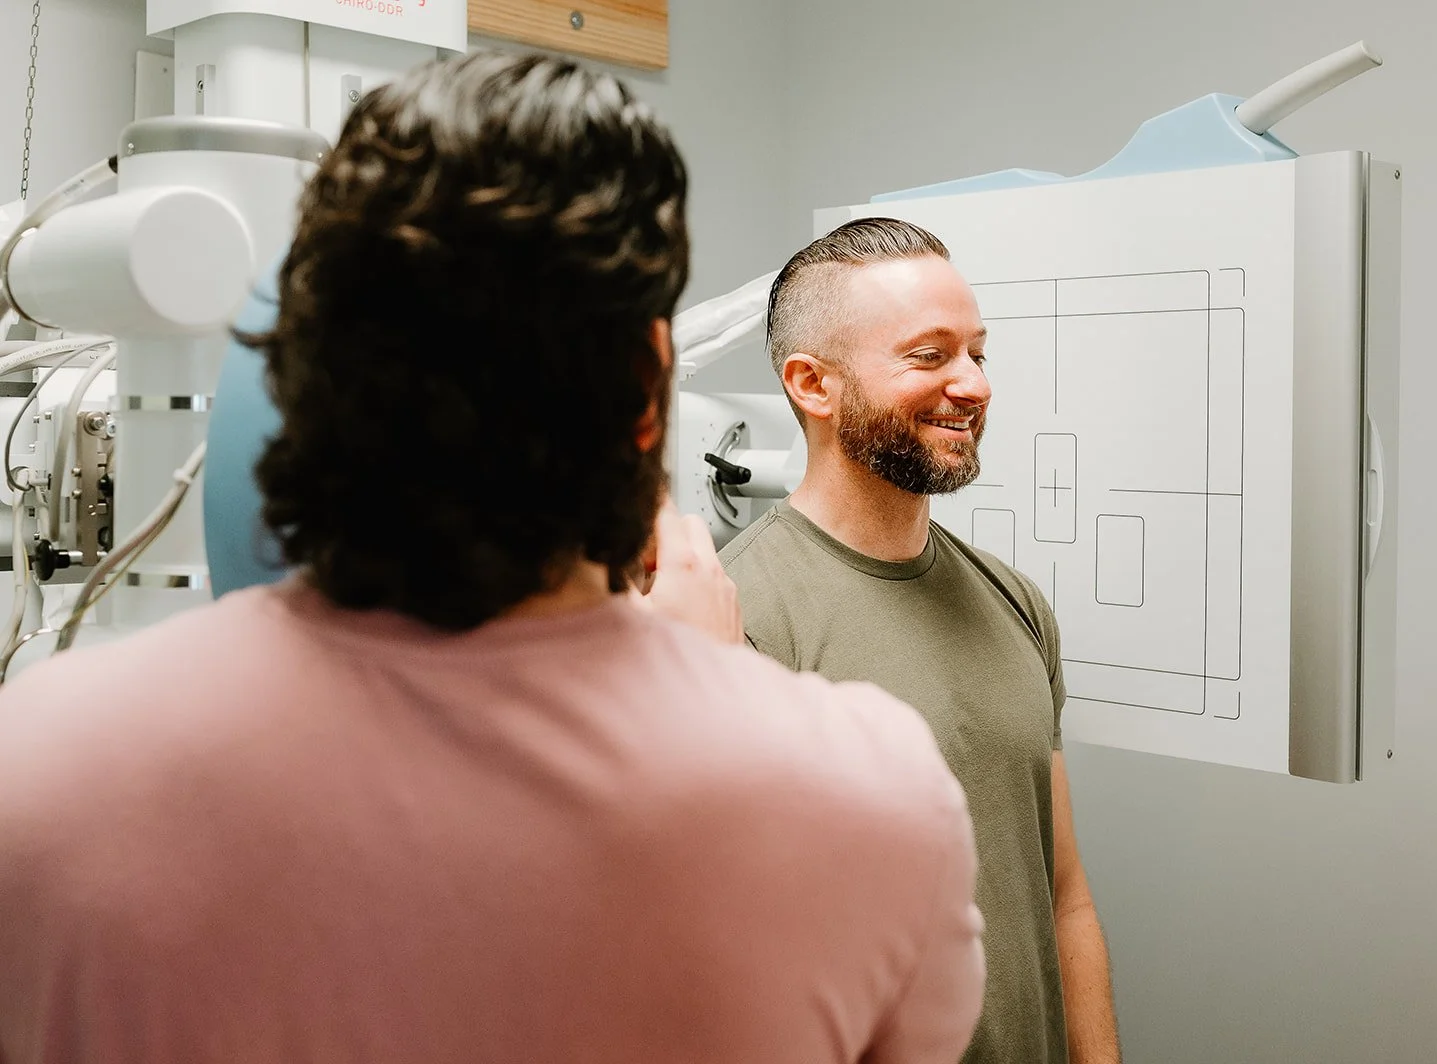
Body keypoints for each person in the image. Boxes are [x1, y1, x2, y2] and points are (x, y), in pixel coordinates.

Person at [0, 55, 986, 1064]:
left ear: (297, 370)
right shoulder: (869, 795)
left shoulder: (40, 762)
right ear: (649, 389)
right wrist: (720, 695)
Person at [720, 218, 1120, 1064]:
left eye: (978, 352)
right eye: (930, 356)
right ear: (812, 385)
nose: (973, 385)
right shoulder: (739, 622)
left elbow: (1065, 900)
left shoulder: (1016, 604)